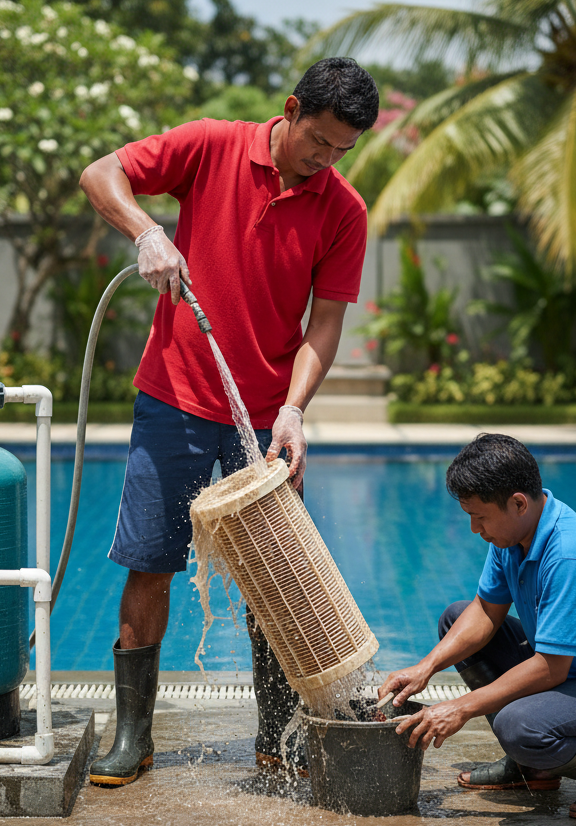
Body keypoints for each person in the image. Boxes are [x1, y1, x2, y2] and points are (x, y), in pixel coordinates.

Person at [78, 57, 379, 786]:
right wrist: (147, 230)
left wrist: (295, 410)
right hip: (173, 399)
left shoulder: (343, 210)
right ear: (292, 109)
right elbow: (99, 173)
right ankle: (133, 736)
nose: (327, 161)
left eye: (344, 151)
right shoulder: (211, 144)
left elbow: (325, 325)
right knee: (149, 563)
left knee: (278, 580)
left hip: (264, 422)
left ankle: (278, 739)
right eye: (321, 143)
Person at [379, 434, 576, 822]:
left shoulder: (571, 553)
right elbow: (486, 610)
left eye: (480, 517)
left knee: (518, 726)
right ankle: (532, 766)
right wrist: (426, 668)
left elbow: (551, 668)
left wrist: (459, 707)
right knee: (455, 618)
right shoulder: (512, 535)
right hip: (575, 675)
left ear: (518, 503)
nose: (474, 528)